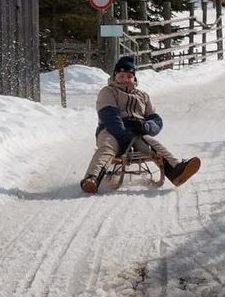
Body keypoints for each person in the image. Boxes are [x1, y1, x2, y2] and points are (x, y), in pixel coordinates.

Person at [80, 56, 201, 194]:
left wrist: (146, 127)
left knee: (153, 146)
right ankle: (92, 179)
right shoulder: (108, 92)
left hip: (136, 132)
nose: (125, 79)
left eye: (129, 76)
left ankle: (176, 171)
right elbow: (109, 117)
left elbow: (156, 119)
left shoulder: (142, 96)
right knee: (108, 147)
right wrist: (124, 136)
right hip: (110, 131)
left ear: (134, 78)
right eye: (121, 75)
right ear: (115, 76)